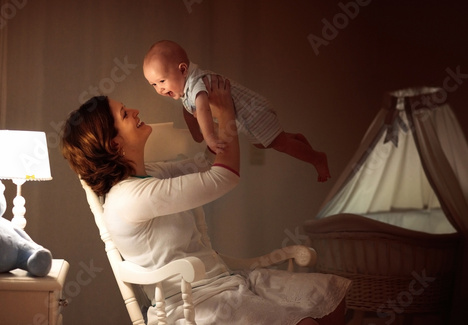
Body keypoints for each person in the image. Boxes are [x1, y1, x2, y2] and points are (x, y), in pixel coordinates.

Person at [60, 75, 350, 324]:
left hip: (225, 280)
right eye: (125, 114)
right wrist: (225, 114)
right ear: (114, 144)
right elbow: (224, 176)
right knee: (306, 322)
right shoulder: (129, 198)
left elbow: (206, 162)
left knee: (332, 298)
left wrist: (200, 109)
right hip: (195, 305)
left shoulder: (150, 174)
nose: (135, 111)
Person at [143, 40, 331, 182]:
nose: (159, 89)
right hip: (246, 119)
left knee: (279, 143)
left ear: (183, 70)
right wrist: (195, 134)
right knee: (263, 144)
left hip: (254, 112)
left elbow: (202, 109)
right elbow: (188, 111)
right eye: (153, 84)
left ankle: (317, 158)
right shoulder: (185, 90)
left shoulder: (197, 82)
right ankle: (296, 139)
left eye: (162, 81)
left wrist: (209, 138)